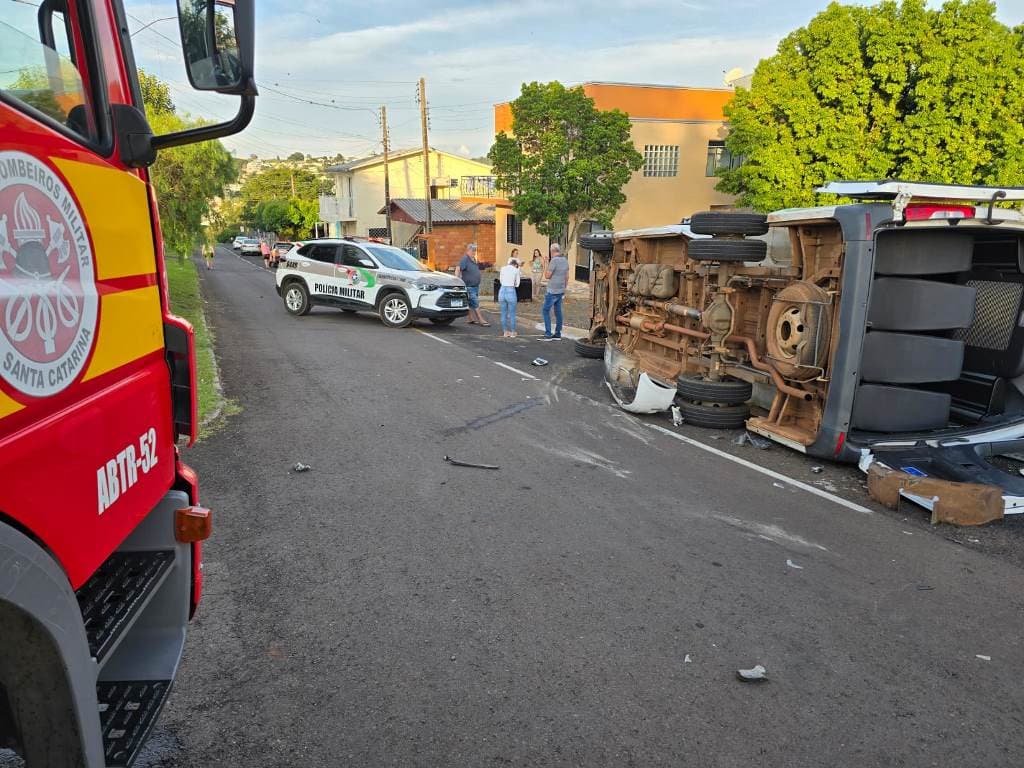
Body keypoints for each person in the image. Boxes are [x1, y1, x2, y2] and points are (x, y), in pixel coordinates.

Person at [455, 243, 490, 326]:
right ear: (468, 250)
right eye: (472, 250)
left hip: (475, 286)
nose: (474, 252)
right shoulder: (465, 259)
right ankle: (481, 319)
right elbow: (458, 269)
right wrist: (457, 281)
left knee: (471, 303)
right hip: (469, 286)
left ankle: (470, 318)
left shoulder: (473, 259)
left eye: (475, 250)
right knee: (475, 303)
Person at [542, 243, 569, 339]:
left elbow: (547, 276)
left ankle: (548, 333)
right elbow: (567, 276)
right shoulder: (565, 260)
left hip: (552, 290)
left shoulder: (553, 261)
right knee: (558, 312)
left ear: (552, 251)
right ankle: (558, 333)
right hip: (560, 290)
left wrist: (545, 263)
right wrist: (564, 289)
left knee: (545, 310)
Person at [498, 257, 521, 337]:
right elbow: (517, 284)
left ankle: (505, 332)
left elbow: (501, 280)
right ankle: (513, 332)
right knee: (512, 313)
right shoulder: (516, 270)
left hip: (502, 290)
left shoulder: (503, 268)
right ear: (515, 265)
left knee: (503, 313)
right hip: (511, 290)